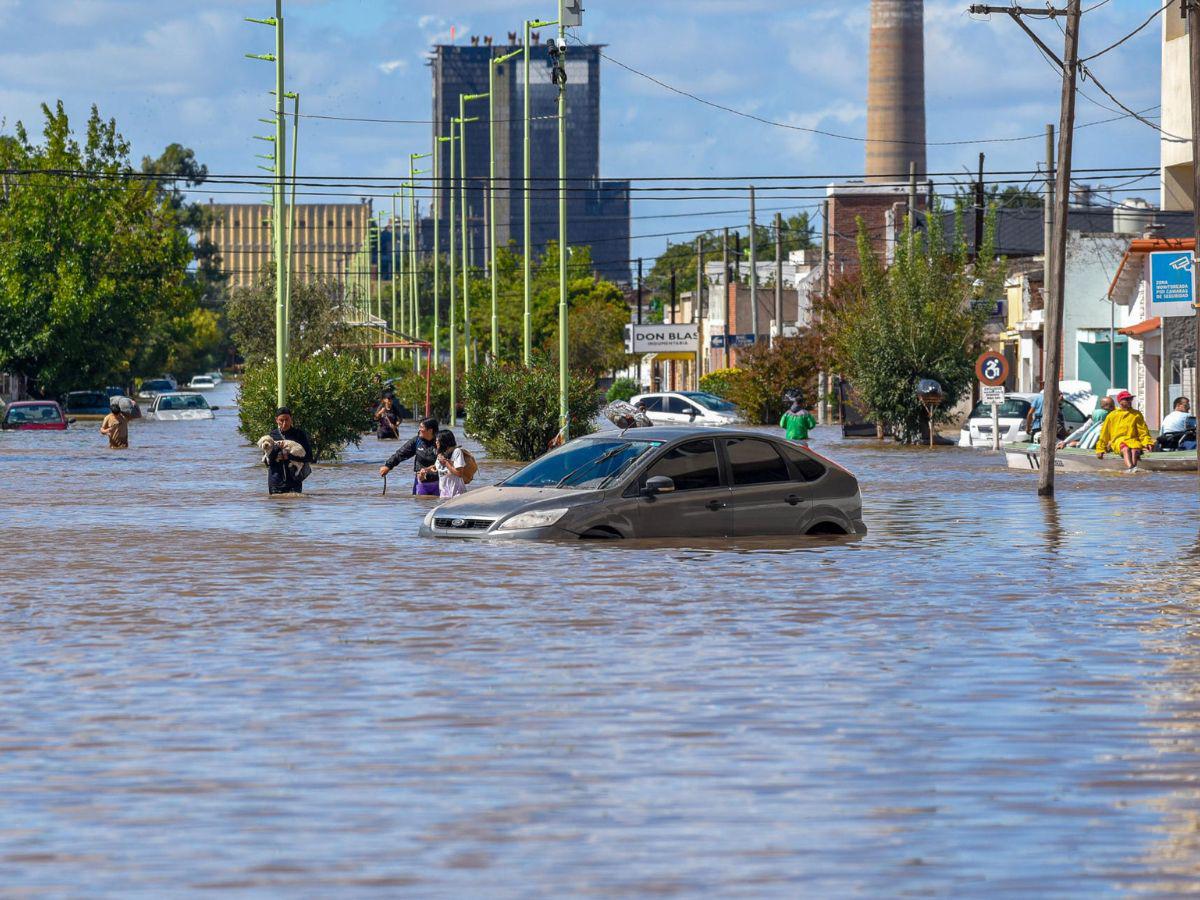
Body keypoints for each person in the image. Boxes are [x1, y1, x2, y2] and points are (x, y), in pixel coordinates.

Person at [379, 417, 440, 495]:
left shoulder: (440, 441)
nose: (419, 430)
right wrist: (388, 466)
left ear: (430, 430)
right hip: (421, 481)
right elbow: (401, 454)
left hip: (439, 481)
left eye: (421, 427)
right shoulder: (416, 441)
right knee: (420, 504)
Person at [1095, 390, 1153, 472]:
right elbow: (1104, 434)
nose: (1129, 401)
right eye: (1126, 399)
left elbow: (1143, 431)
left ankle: (1133, 470)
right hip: (1118, 441)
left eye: (1130, 399)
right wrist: (1100, 449)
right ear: (1120, 402)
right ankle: (1131, 468)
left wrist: (1147, 442)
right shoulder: (1112, 415)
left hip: (1133, 440)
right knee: (1126, 449)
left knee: (1135, 450)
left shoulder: (1136, 414)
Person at [265, 407, 314, 494]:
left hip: (294, 481)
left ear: (291, 419)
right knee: (276, 507)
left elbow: (309, 457)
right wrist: (277, 449)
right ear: (276, 420)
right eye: (281, 420)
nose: (284, 423)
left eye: (287, 420)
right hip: (276, 482)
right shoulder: (272, 435)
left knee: (294, 506)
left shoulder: (299, 434)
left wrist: (289, 456)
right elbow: (267, 461)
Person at [421, 429, 467, 498]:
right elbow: (436, 467)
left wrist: (445, 462)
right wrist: (426, 470)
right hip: (444, 495)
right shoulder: (441, 454)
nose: (436, 442)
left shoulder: (457, 452)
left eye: (437, 441)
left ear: (444, 442)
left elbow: (459, 473)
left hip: (457, 495)